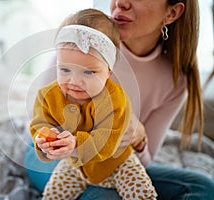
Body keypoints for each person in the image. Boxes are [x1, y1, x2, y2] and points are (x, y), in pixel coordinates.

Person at [25, 0, 214, 199]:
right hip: (52, 154)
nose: (120, 2)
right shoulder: (82, 38)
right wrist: (59, 141)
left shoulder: (175, 80)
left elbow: (143, 162)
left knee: (201, 187)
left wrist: (140, 138)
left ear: (172, 12)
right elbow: (37, 118)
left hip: (112, 159)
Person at [29, 8, 157, 200]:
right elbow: (40, 124)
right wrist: (43, 139)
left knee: (142, 193)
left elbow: (105, 140)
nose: (74, 81)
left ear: (108, 71)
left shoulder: (115, 99)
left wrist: (75, 144)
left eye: (89, 72)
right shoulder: (47, 96)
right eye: (64, 69)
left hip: (117, 164)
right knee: (52, 195)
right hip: (75, 166)